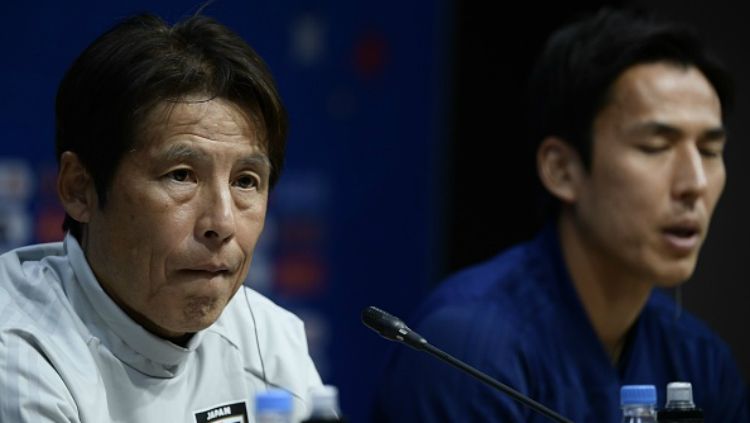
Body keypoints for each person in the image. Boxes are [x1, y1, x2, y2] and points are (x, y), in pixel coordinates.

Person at [373, 8, 749, 422]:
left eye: (710, 151)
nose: (695, 182)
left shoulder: (701, 361)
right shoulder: (469, 349)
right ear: (562, 169)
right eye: (656, 146)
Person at [0, 12, 322, 422]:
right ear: (79, 189)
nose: (221, 223)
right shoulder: (17, 354)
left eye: (245, 181)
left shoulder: (271, 339)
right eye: (181, 176)